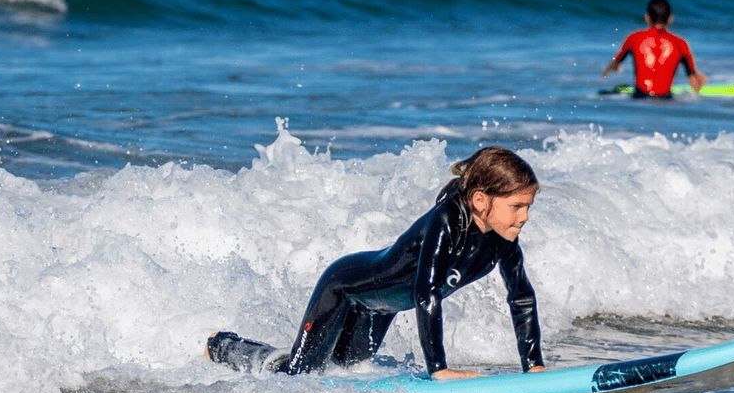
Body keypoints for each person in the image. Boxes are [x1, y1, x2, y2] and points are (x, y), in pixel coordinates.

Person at [206, 146, 546, 380]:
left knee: (345, 371)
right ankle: (222, 346)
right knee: (297, 375)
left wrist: (533, 365)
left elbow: (521, 297)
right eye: (517, 206)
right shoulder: (446, 222)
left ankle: (277, 353)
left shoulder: (503, 239)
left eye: (528, 206)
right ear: (480, 200)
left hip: (380, 307)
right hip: (344, 288)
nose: (524, 216)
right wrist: (438, 369)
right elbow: (426, 294)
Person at [602, 0, 707, 99]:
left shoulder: (634, 38)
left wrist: (607, 70)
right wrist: (700, 79)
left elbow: (615, 62)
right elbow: (695, 83)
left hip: (640, 97)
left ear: (647, 17)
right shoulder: (680, 44)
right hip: (666, 99)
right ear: (670, 18)